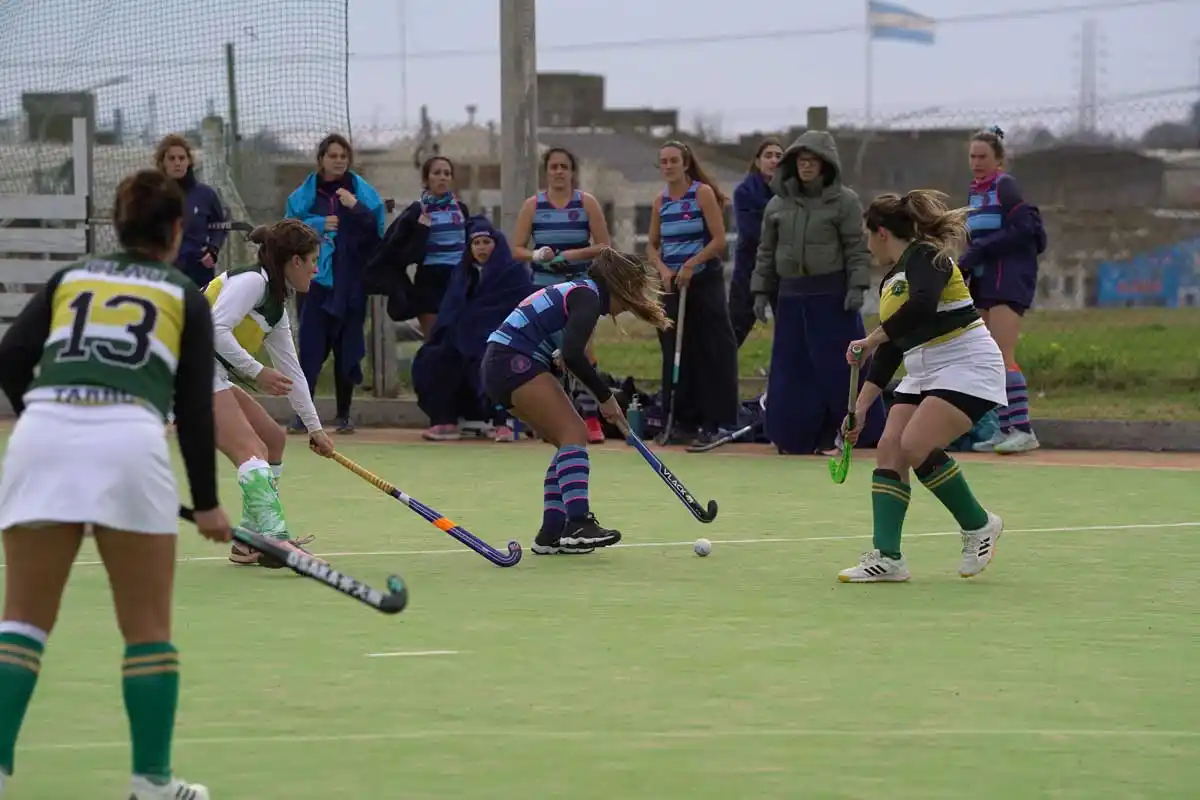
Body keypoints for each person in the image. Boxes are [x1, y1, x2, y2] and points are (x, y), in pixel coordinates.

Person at [0, 169, 229, 799]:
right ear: (177, 230)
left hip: (41, 434)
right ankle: (151, 782)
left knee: (21, 623)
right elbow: (196, 409)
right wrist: (207, 504)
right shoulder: (185, 295)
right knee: (147, 628)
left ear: (114, 226)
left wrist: (53, 416)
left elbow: (10, 359)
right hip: (129, 442)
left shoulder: (70, 277)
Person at [838, 190, 1006, 584]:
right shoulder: (891, 280)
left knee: (915, 444)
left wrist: (872, 338)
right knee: (890, 447)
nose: (866, 244)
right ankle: (888, 557)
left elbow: (924, 305)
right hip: (924, 369)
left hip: (966, 364)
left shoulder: (929, 258)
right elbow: (893, 347)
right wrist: (860, 408)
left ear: (881, 232)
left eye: (866, 235)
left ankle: (979, 525)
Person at [481, 248, 671, 555]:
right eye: (635, 287)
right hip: (512, 360)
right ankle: (579, 523)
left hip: (501, 365)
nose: (636, 297)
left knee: (567, 442)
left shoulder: (581, 294)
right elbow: (572, 354)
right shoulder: (588, 296)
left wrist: (591, 387)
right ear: (620, 284)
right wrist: (606, 397)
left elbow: (567, 355)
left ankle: (552, 532)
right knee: (574, 434)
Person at [204, 220, 336, 567]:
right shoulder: (251, 282)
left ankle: (250, 541)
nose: (316, 269)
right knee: (251, 449)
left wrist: (314, 428)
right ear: (294, 261)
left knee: (272, 440)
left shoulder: (274, 304)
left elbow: (293, 372)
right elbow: (214, 328)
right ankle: (277, 540)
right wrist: (257, 371)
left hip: (208, 371)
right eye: (312, 261)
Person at [750, 130, 886, 456]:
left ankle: (851, 432)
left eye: (812, 161)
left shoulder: (846, 202)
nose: (806, 167)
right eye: (801, 161)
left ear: (825, 165)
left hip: (832, 296)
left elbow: (856, 248)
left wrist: (857, 287)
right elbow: (766, 253)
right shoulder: (777, 205)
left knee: (839, 369)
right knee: (792, 371)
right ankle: (793, 436)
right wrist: (759, 291)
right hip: (791, 297)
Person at [285, 133, 386, 435]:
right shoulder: (304, 195)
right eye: (333, 155)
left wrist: (355, 208)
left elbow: (376, 233)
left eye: (343, 156)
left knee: (348, 349)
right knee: (311, 350)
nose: (339, 160)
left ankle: (344, 414)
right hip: (315, 283)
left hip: (350, 282)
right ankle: (304, 414)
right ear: (321, 160)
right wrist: (318, 224)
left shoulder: (361, 193)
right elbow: (287, 230)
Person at [512, 147, 613, 443]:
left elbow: (605, 246)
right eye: (553, 166)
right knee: (544, 356)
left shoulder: (587, 203)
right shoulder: (533, 205)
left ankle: (592, 417)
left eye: (564, 166)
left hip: (579, 288)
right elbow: (515, 249)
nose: (558, 171)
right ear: (546, 171)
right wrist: (536, 254)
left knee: (582, 351)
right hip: (543, 289)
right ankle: (548, 420)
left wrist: (570, 255)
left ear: (572, 171)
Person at [646, 140, 740, 446]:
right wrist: (662, 268)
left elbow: (718, 241)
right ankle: (680, 420)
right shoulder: (660, 202)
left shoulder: (701, 194)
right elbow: (652, 245)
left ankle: (719, 420)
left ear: (685, 164)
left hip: (703, 280)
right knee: (675, 351)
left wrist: (691, 264)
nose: (669, 166)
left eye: (674, 160)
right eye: (664, 162)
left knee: (713, 349)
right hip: (672, 283)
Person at [960, 126, 1047, 455]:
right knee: (987, 358)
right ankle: (1002, 427)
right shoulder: (974, 192)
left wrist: (981, 252)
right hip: (984, 282)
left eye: (983, 156)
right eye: (972, 156)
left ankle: (1023, 429)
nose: (977, 162)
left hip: (1008, 279)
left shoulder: (1005, 186)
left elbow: (1024, 230)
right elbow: (974, 238)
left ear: (999, 160)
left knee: (1002, 353)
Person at [412, 217, 533, 442]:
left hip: (500, 337)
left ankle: (500, 420)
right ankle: (446, 420)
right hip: (461, 335)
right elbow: (452, 308)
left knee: (487, 358)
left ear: (496, 244)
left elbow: (516, 310)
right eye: (476, 243)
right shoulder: (463, 272)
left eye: (486, 242)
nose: (481, 248)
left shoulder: (513, 272)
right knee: (433, 357)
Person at [363, 156, 470, 341]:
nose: (442, 177)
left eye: (447, 173)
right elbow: (397, 252)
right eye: (436, 173)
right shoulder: (417, 211)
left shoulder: (460, 209)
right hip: (430, 281)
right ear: (426, 179)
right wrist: (422, 230)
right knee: (435, 343)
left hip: (458, 280)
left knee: (460, 341)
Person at [155, 133, 228, 289]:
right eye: (172, 158)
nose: (177, 163)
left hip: (198, 271)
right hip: (164, 271)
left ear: (189, 161)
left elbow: (220, 226)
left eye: (182, 158)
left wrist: (213, 250)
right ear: (162, 162)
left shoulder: (206, 194)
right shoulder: (153, 194)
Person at [730, 138, 782, 346]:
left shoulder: (792, 193)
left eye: (779, 156)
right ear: (758, 161)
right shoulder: (744, 192)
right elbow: (752, 232)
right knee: (735, 327)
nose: (774, 160)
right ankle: (717, 376)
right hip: (750, 269)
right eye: (768, 156)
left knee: (789, 330)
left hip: (783, 270)